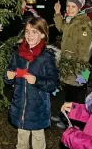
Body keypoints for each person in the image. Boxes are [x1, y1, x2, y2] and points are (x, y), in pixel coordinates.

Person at [4, 16, 59, 149]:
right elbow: (8, 74)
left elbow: (53, 83)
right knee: (21, 137)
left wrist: (36, 80)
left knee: (38, 139)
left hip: (37, 109)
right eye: (27, 31)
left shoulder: (46, 58)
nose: (29, 35)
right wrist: (8, 76)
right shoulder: (17, 55)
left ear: (42, 34)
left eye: (34, 32)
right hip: (20, 105)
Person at [51, 0, 92, 128]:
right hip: (69, 65)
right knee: (69, 93)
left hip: (77, 67)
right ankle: (65, 118)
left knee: (75, 96)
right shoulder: (71, 20)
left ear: (80, 8)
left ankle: (75, 124)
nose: (69, 9)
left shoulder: (83, 25)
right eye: (68, 6)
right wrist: (57, 13)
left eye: (73, 6)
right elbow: (62, 28)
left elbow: (83, 52)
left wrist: (82, 74)